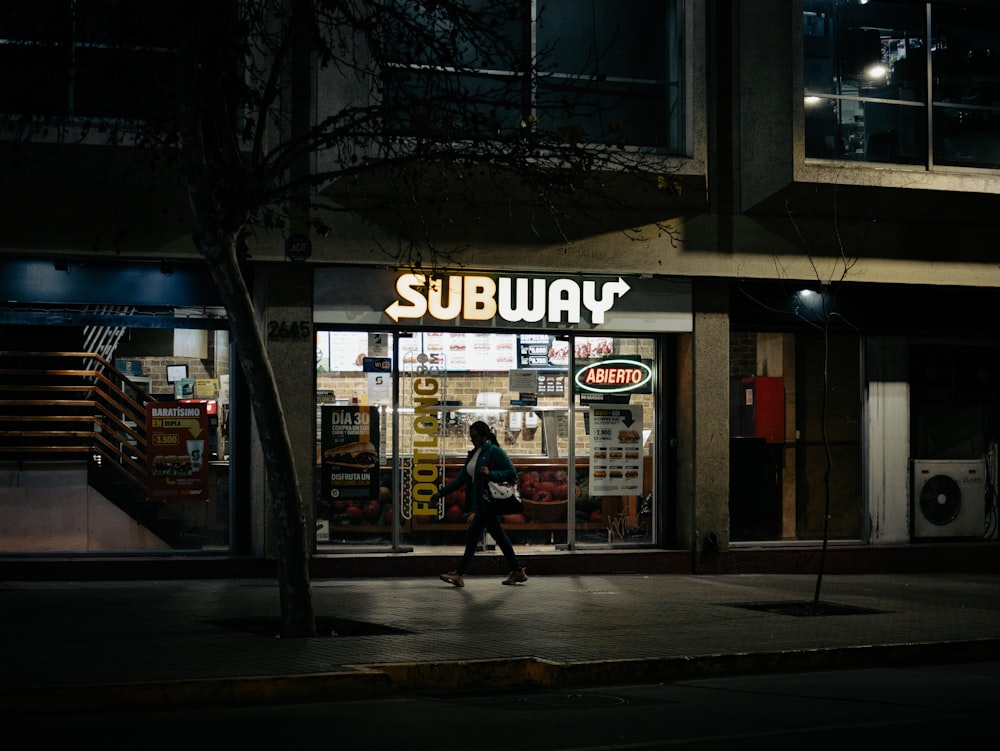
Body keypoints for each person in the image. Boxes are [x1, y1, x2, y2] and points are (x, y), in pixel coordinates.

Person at [431, 420, 528, 587]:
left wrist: (491, 473)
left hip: (489, 501)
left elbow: (511, 472)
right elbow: (462, 478)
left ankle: (459, 574)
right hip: (482, 502)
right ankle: (517, 570)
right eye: (471, 437)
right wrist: (441, 493)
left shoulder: (494, 451)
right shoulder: (474, 454)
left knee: (473, 535)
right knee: (498, 536)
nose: (473, 440)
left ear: (484, 436)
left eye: (475, 436)